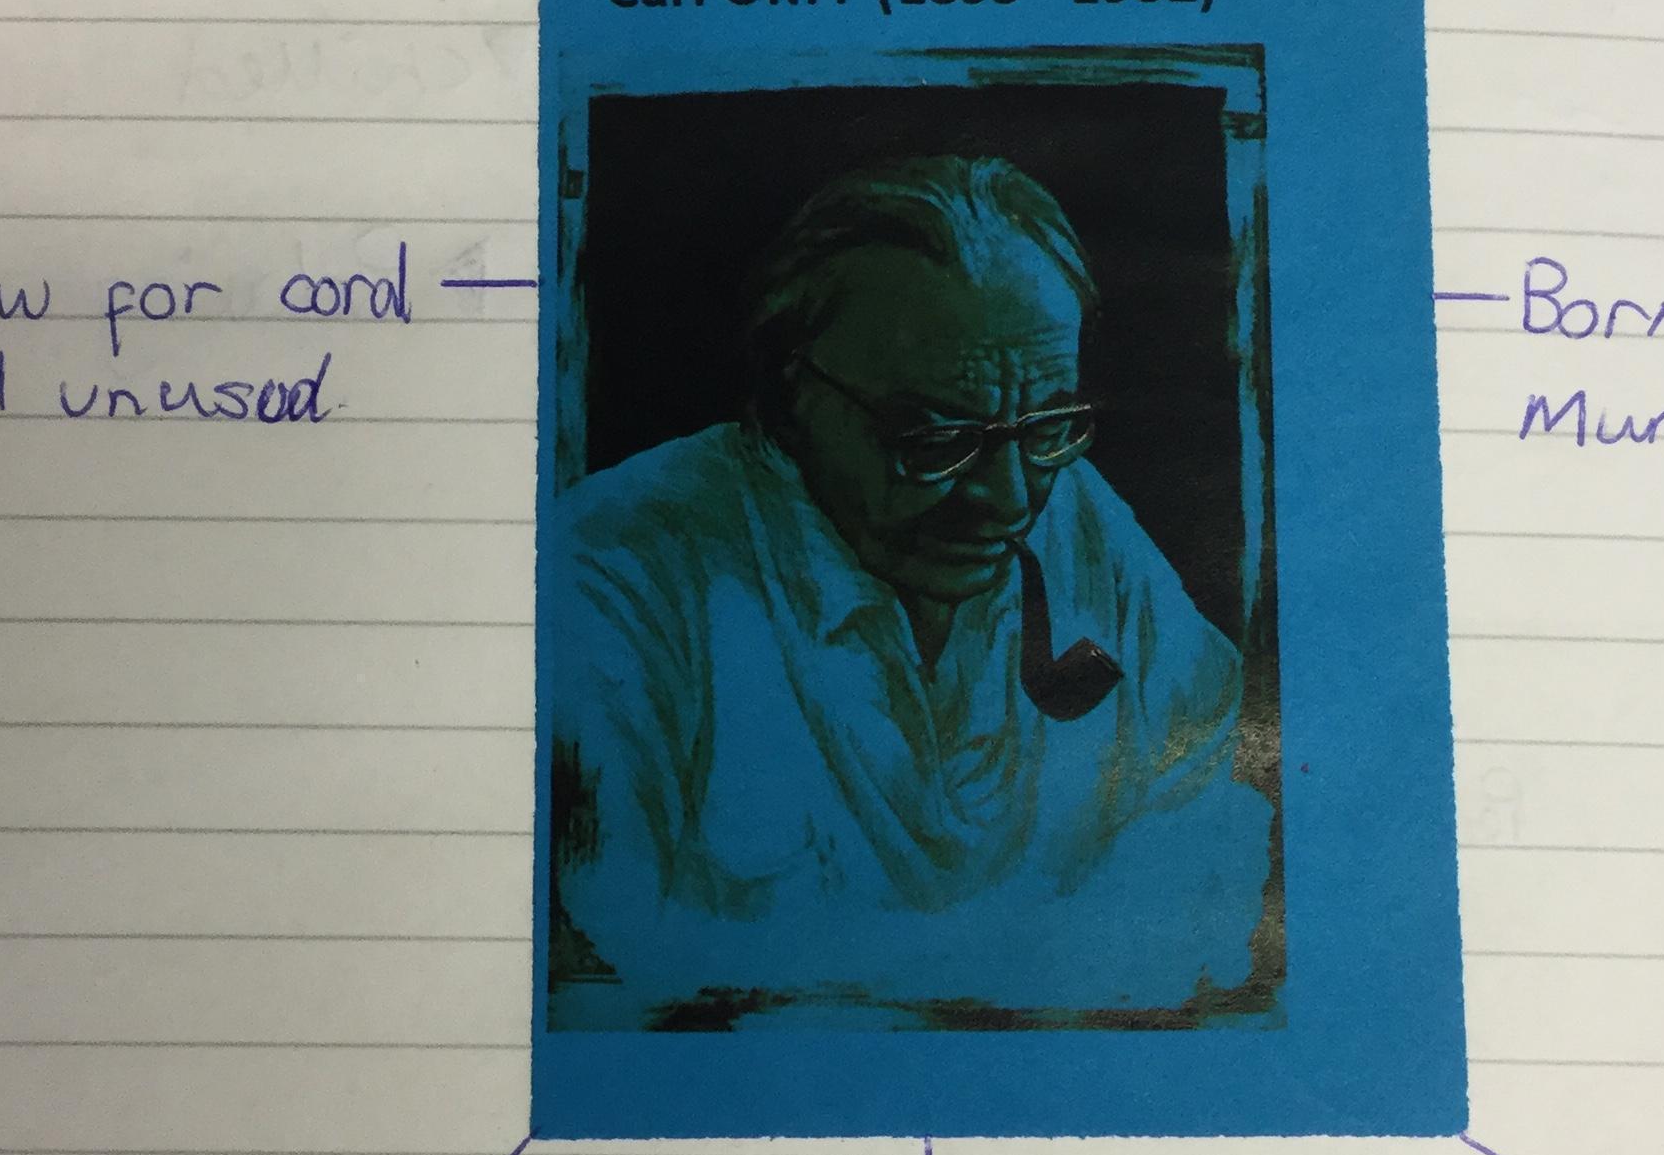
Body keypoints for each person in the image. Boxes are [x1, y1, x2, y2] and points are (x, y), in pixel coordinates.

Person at [545, 151, 1274, 1026]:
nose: (1009, 501)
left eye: (1048, 424)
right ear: (788, 395)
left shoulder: (1072, 508)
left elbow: (1210, 800)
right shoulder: (614, 575)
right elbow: (605, 987)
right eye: (936, 441)